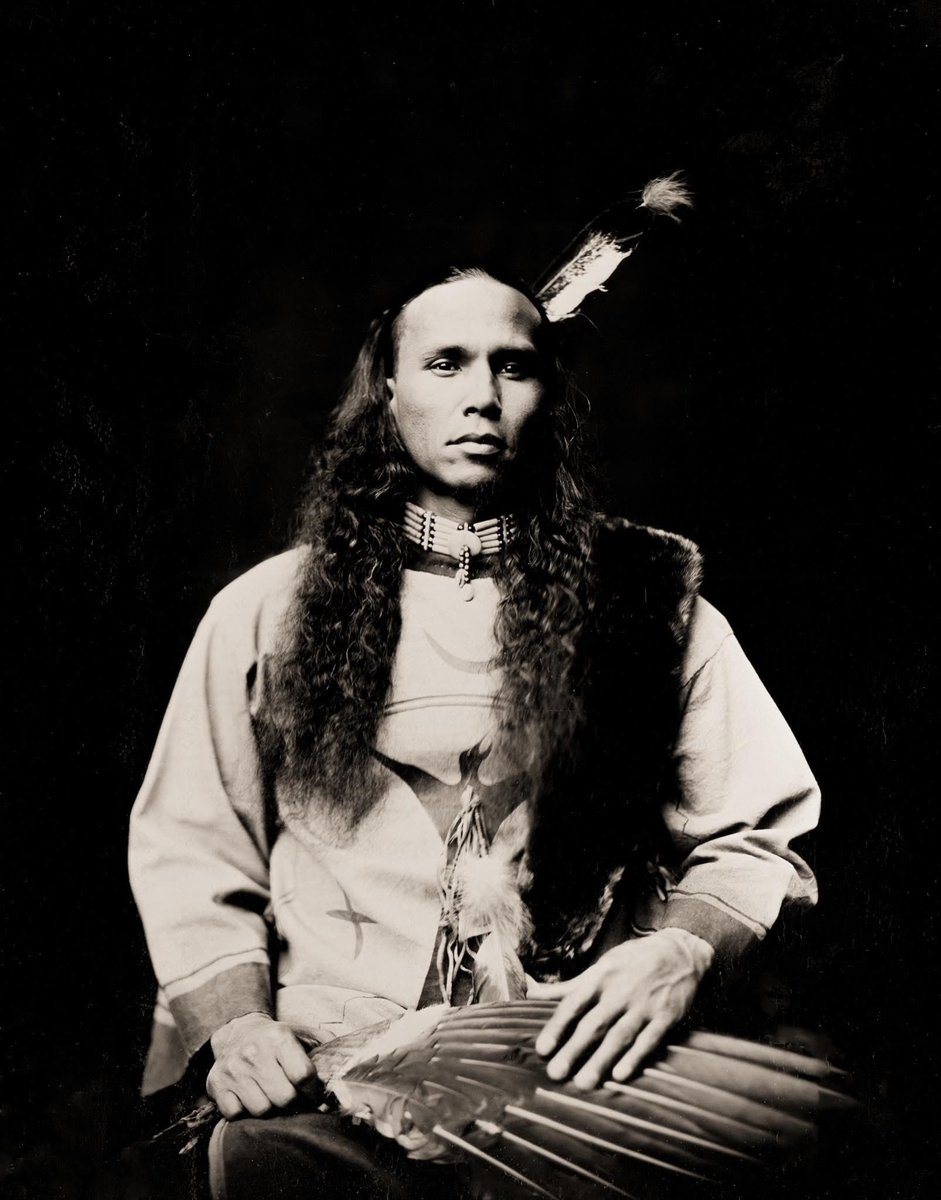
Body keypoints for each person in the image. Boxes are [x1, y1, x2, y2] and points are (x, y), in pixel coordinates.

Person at [129, 263, 820, 1198]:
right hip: (327, 1073)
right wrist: (236, 1026)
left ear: (550, 395)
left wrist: (682, 948)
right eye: (446, 363)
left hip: (568, 1076)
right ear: (388, 391)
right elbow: (191, 845)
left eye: (514, 366)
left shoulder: (649, 605)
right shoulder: (265, 611)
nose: (482, 397)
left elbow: (755, 834)